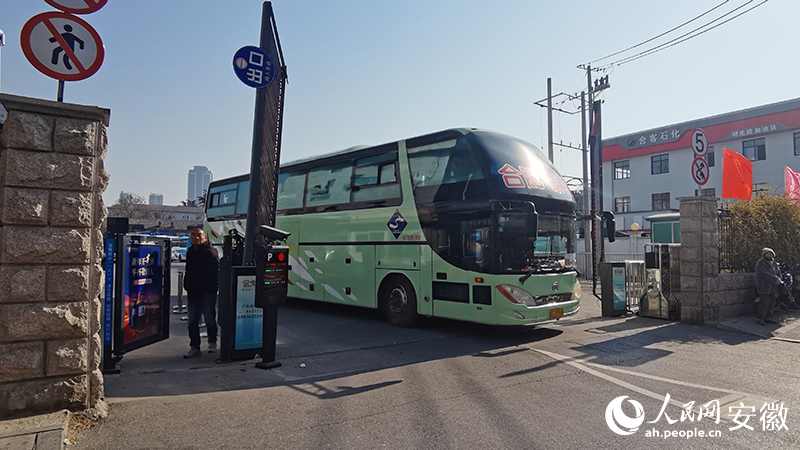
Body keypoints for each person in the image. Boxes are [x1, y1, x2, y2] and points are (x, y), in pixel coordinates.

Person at [183, 228, 219, 358]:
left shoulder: (210, 252)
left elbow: (213, 275)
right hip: (193, 292)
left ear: (205, 237)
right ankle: (194, 347)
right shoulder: (191, 252)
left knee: (209, 319)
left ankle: (212, 342)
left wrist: (208, 290)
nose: (196, 238)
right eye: (193, 235)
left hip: (207, 293)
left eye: (199, 235)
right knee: (192, 321)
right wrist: (187, 286)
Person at [755, 247, 782, 326]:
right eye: (768, 254)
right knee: (764, 303)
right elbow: (764, 274)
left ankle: (769, 317)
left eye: (771, 254)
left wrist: (779, 279)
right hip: (764, 286)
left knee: (772, 303)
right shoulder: (760, 263)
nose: (769, 255)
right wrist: (775, 279)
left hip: (774, 287)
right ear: (764, 255)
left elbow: (778, 273)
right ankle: (761, 318)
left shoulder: (774, 263)